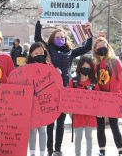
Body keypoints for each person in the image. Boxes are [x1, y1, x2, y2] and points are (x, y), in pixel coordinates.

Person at [35, 9, 93, 156]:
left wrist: (89, 32)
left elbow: (87, 47)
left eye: (62, 37)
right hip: (50, 89)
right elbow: (37, 37)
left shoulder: (70, 52)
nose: (60, 39)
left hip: (65, 90)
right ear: (53, 39)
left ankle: (57, 149)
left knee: (60, 122)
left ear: (66, 38)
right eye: (57, 37)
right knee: (50, 122)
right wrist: (39, 19)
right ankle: (49, 150)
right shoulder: (48, 49)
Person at [92, 37, 122, 156]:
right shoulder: (94, 64)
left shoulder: (115, 61)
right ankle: (102, 152)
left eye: (104, 45)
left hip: (114, 99)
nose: (102, 47)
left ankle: (121, 152)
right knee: (100, 126)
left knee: (114, 125)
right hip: (100, 99)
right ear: (95, 48)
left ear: (107, 47)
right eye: (99, 45)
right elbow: (93, 82)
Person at [69, 56, 99, 156]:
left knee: (89, 136)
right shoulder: (73, 82)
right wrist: (69, 112)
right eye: (83, 67)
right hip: (77, 115)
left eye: (88, 68)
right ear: (79, 67)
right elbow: (68, 98)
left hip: (90, 115)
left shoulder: (94, 83)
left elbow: (99, 99)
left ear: (91, 69)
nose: (85, 69)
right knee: (78, 136)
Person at [26, 42, 49, 156]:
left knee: (43, 130)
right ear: (31, 54)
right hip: (31, 104)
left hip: (45, 103)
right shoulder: (26, 69)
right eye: (36, 53)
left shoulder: (49, 67)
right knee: (33, 130)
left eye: (41, 52)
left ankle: (42, 154)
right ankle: (33, 153)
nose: (39, 54)